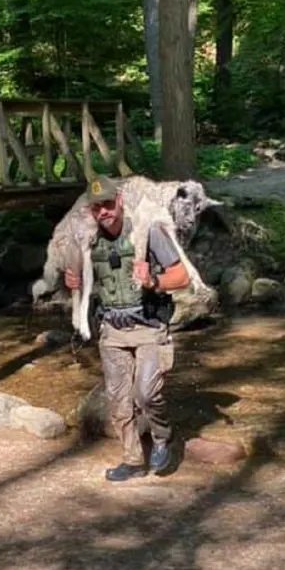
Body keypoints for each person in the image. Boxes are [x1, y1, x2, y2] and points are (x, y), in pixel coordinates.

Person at [65, 175, 191, 482]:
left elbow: (182, 277)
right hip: (112, 329)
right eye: (97, 208)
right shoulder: (86, 240)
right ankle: (133, 459)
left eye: (108, 204)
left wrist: (153, 282)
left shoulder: (149, 232)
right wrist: (73, 281)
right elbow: (80, 276)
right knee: (119, 402)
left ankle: (163, 437)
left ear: (119, 200)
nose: (104, 212)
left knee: (146, 393)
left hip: (148, 326)